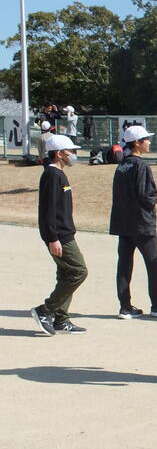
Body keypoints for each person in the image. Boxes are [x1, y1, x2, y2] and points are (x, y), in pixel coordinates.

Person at [110, 125, 157, 319]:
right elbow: (145, 194)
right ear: (137, 143)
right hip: (141, 223)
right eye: (145, 139)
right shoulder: (141, 165)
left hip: (123, 222)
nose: (149, 142)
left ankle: (125, 307)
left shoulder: (122, 165)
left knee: (124, 265)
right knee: (153, 263)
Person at [30, 135, 88, 336]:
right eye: (71, 151)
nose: (74, 155)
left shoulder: (59, 174)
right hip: (59, 235)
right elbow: (47, 210)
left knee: (66, 274)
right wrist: (53, 238)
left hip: (65, 232)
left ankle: (61, 319)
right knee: (79, 271)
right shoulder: (52, 175)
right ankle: (45, 310)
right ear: (60, 153)